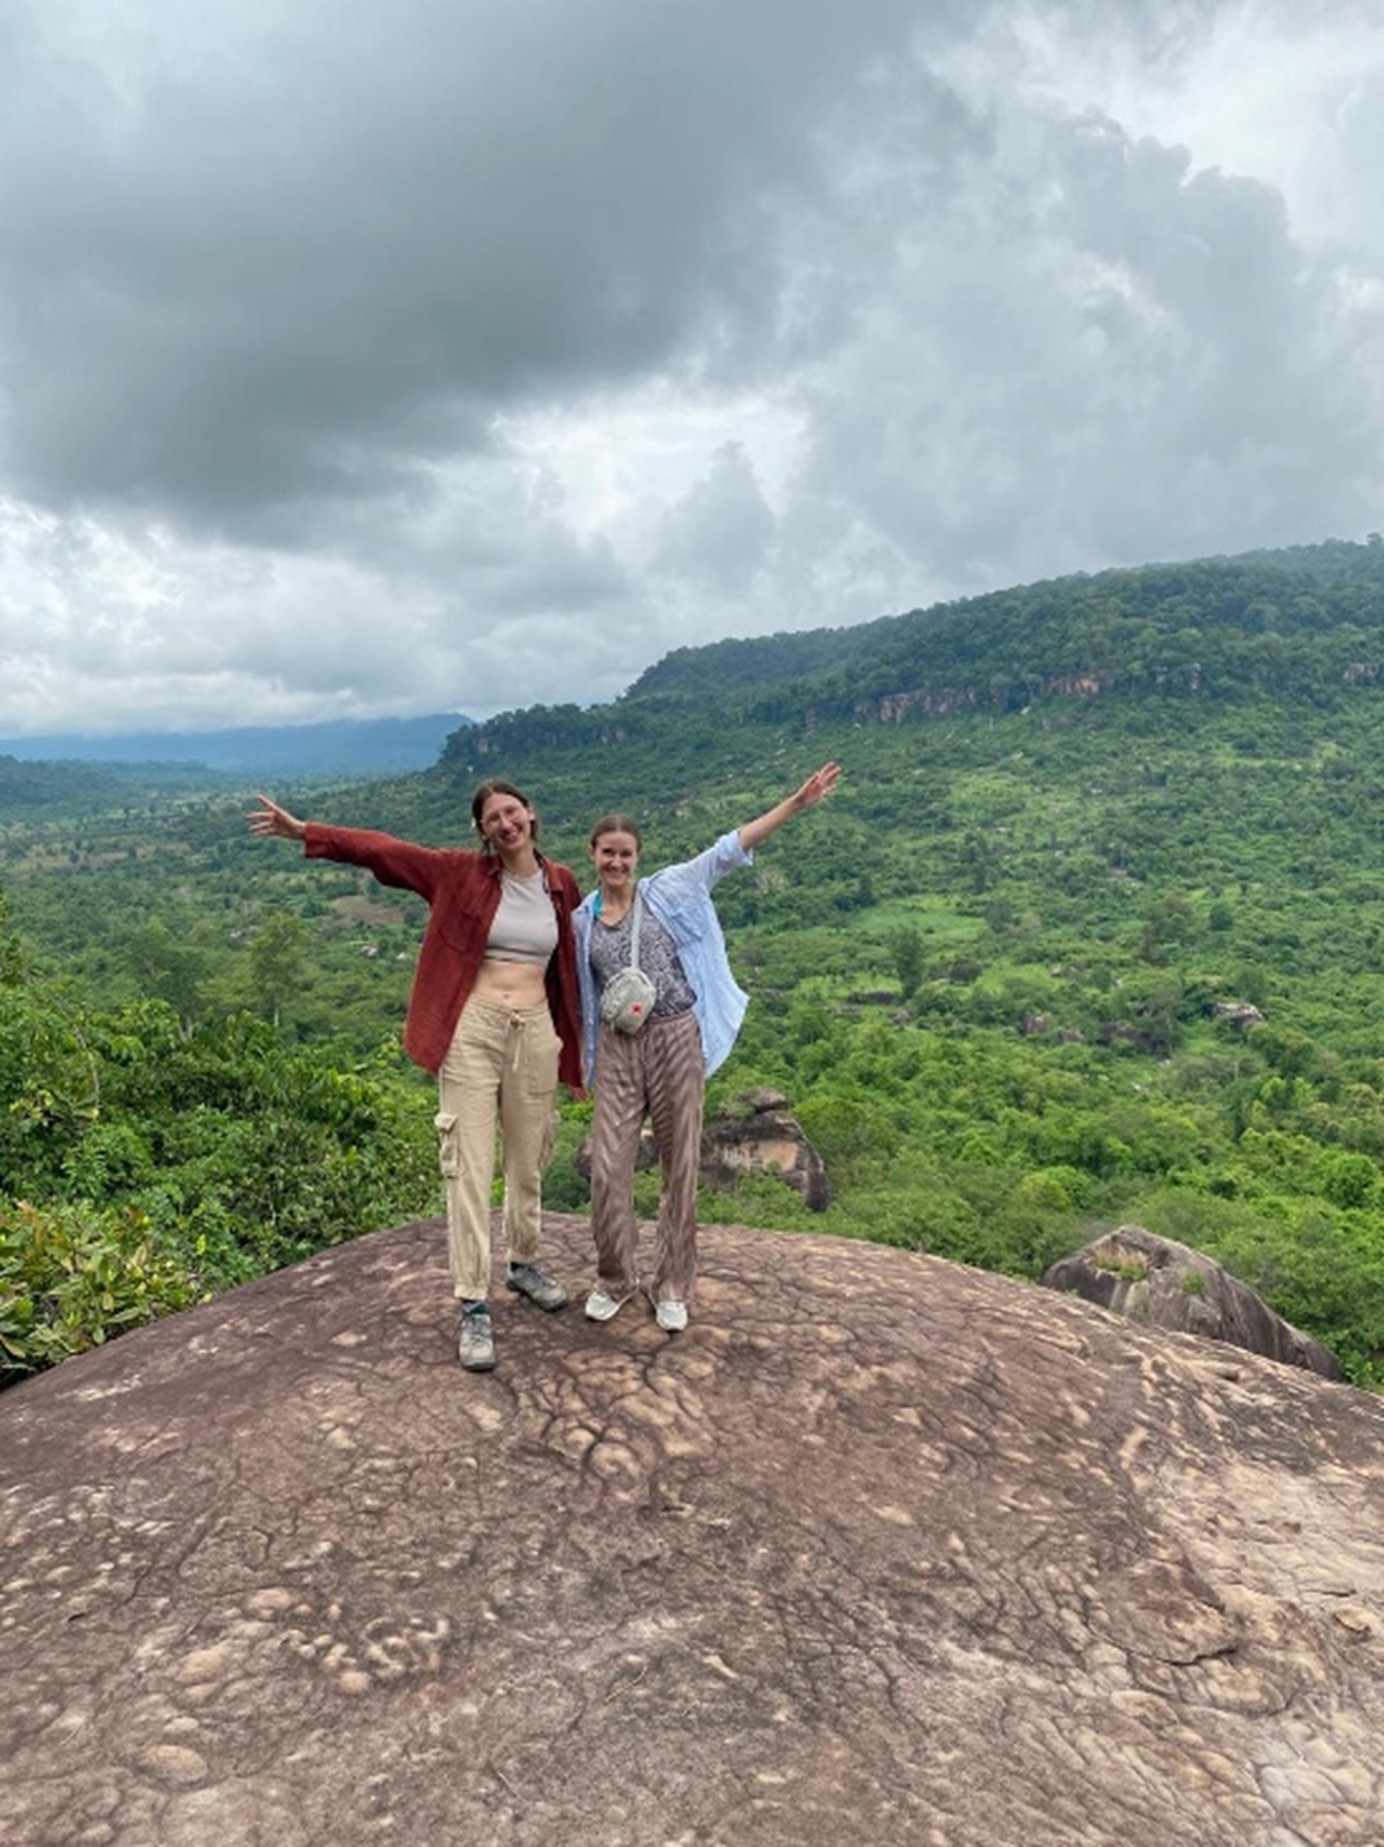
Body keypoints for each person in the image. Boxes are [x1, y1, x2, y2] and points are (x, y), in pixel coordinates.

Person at [247, 782, 583, 1373]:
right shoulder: (459, 874)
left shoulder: (560, 883)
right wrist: (305, 832)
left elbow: (579, 959)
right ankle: (473, 1303)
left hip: (534, 1031)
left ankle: (523, 1262)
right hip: (473, 1028)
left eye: (512, 812)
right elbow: (384, 849)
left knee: (530, 1157)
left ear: (531, 813)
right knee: (469, 1165)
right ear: (482, 831)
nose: (506, 824)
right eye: (492, 818)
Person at [575, 762, 840, 1332]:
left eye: (625, 853)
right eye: (607, 853)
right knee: (607, 1164)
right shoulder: (581, 922)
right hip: (621, 1047)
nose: (616, 862)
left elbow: (730, 848)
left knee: (680, 1165)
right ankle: (615, 1276)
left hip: (675, 1036)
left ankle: (671, 1284)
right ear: (592, 854)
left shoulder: (670, 889)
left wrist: (794, 804)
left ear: (638, 857)